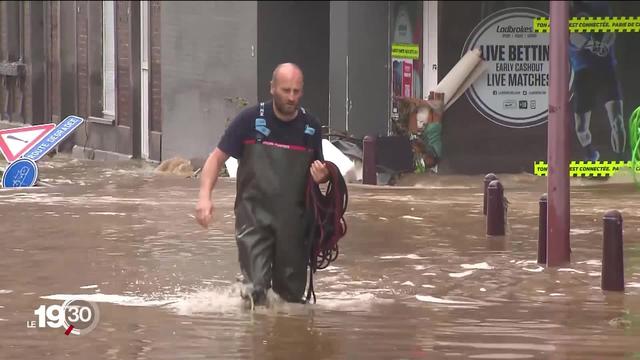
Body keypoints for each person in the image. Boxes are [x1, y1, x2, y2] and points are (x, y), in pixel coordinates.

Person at [195, 63, 329, 306]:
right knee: (256, 289)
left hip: (294, 221)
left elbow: (320, 173)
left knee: (290, 298)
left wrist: (323, 177)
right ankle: (253, 336)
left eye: (296, 91)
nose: (291, 97)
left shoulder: (311, 127)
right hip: (253, 216)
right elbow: (216, 158)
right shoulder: (248, 120)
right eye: (286, 90)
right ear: (272, 88)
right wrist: (205, 196)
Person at [569, 1, 626, 161]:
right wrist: (590, 45)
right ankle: (591, 156)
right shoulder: (565, 7)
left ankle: (620, 160)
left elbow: (611, 31)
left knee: (618, 121)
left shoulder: (601, 6)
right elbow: (570, 37)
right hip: (583, 71)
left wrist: (604, 46)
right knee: (581, 128)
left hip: (606, 68)